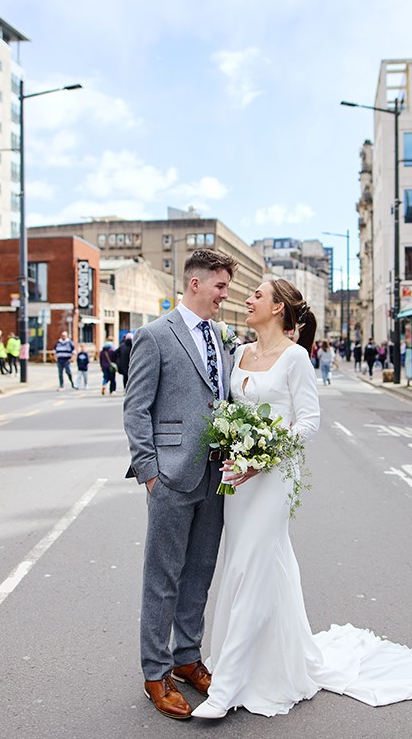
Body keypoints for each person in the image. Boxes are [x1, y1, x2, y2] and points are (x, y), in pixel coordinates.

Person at [191, 277, 412, 720]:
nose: (247, 299)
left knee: (252, 566)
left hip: (272, 476)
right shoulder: (239, 353)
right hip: (236, 480)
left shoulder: (296, 358)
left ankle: (225, 688)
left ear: (278, 308)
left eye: (257, 295)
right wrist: (232, 446)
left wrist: (263, 456)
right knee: (257, 566)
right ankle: (275, 664)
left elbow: (309, 422)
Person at [123, 248, 239, 720]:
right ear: (196, 284)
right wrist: (150, 473)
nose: (225, 295)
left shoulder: (221, 336)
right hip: (171, 476)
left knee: (199, 573)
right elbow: (136, 409)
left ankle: (187, 656)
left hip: (215, 475)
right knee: (163, 576)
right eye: (220, 287)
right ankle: (155, 672)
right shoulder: (155, 336)